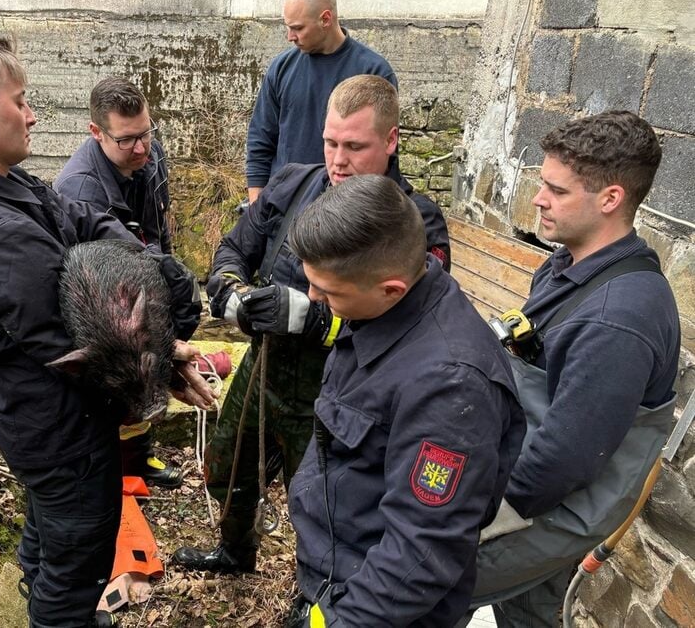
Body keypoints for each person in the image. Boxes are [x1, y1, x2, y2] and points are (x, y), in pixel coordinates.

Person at [0, 32, 213, 628]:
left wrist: (142, 266)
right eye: (20, 100)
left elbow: (82, 218)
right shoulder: (0, 239)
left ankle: (42, 586)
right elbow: (91, 351)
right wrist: (165, 361)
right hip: (60, 432)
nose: (31, 114)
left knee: (51, 529)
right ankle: (61, 613)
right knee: (79, 563)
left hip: (36, 417)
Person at [172, 74, 450, 574]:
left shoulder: (414, 224)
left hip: (338, 391)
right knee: (227, 468)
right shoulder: (292, 182)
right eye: (330, 142)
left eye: (354, 146)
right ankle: (236, 552)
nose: (339, 161)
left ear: (391, 141)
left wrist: (309, 315)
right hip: (264, 370)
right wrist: (233, 293)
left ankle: (316, 592)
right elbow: (235, 247)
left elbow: (412, 326)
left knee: (325, 509)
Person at [467, 111, 681, 627]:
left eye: (556, 190)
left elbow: (561, 461)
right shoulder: (571, 264)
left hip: (546, 505)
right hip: (525, 475)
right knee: (531, 610)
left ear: (610, 199)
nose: (538, 199)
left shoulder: (618, 318)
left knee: (427, 580)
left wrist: (473, 520)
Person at [285, 174, 525, 627]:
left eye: (329, 291)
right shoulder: (383, 311)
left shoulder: (449, 387)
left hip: (369, 607)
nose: (313, 297)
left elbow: (421, 551)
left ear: (391, 288)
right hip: (336, 573)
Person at [53, 77, 181, 489]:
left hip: (147, 271)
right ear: (96, 132)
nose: (142, 148)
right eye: (127, 141)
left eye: (146, 133)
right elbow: (93, 281)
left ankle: (141, 457)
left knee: (147, 372)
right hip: (110, 307)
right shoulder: (79, 191)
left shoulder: (148, 155)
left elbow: (157, 224)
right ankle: (119, 463)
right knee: (125, 378)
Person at [246, 0, 397, 203]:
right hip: (282, 209)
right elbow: (260, 140)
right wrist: (256, 206)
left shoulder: (373, 71)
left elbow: (385, 154)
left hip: (346, 211)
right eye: (288, 27)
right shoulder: (281, 68)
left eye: (298, 28)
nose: (290, 36)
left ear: (325, 19)